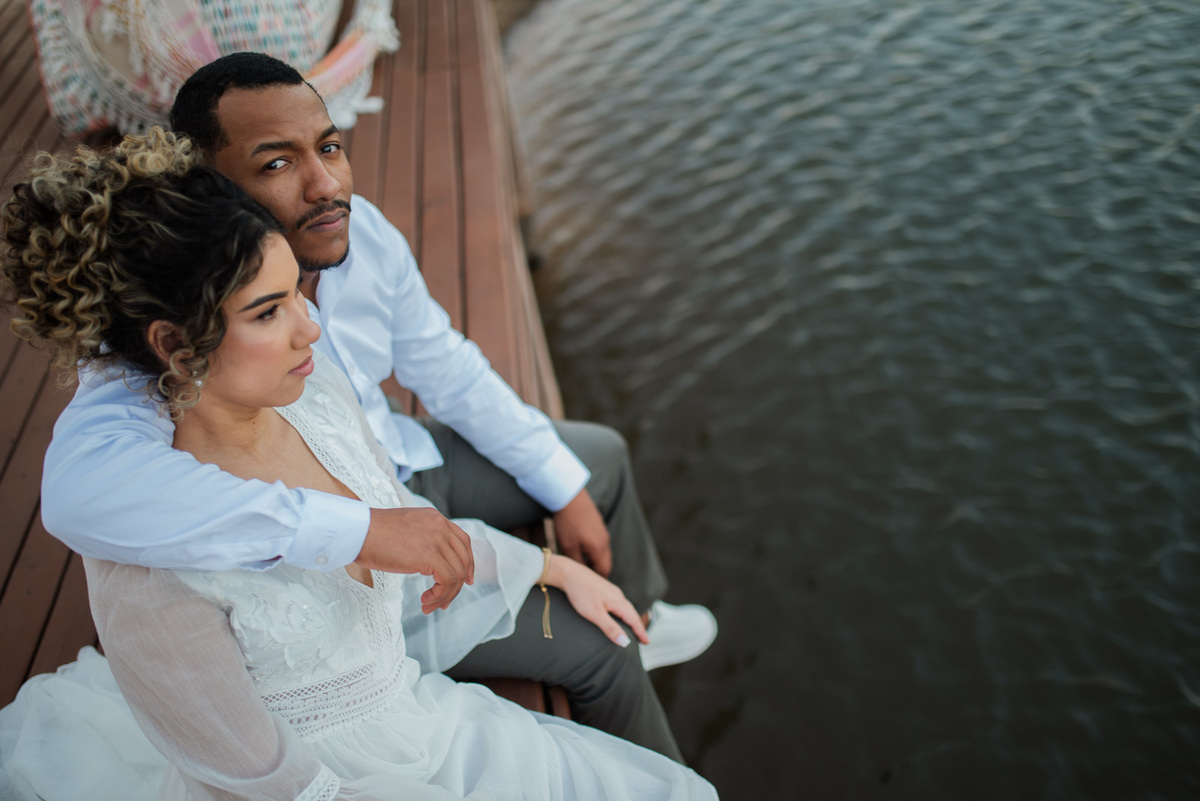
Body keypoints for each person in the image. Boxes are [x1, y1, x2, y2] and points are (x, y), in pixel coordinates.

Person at [0, 130, 716, 800]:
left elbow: (408, 522)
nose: (311, 327)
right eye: (268, 311)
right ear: (173, 344)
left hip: (418, 715)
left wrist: (553, 568)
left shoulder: (314, 400)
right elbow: (256, 778)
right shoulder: (145, 553)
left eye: (297, 294)